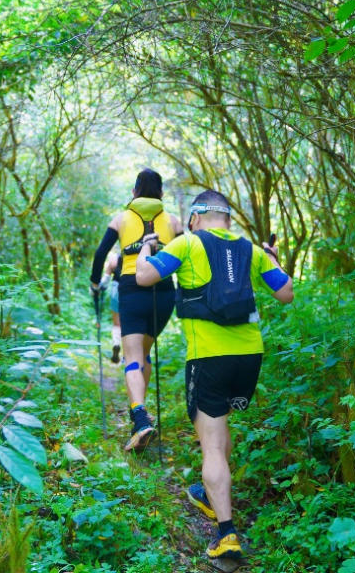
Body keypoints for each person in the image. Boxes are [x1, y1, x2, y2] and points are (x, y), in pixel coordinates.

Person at [135, 190, 294, 561]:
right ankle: (209, 494)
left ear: (195, 218)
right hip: (249, 357)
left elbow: (144, 276)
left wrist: (146, 248)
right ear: (228, 219)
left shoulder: (187, 243)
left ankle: (227, 534)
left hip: (209, 357)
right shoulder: (251, 250)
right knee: (219, 428)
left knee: (210, 444)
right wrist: (273, 257)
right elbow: (286, 293)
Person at [90, 169, 184, 451]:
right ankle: (143, 414)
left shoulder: (121, 219)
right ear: (162, 193)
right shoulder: (173, 221)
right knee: (144, 352)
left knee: (132, 356)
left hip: (131, 289)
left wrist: (95, 284)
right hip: (164, 291)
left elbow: (100, 254)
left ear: (134, 192)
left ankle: (140, 417)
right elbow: (188, 254)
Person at [101, 251, 123, 364]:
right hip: (134, 291)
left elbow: (105, 281)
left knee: (117, 324)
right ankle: (129, 356)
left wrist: (99, 288)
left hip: (117, 291)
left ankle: (116, 343)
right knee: (132, 325)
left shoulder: (115, 258)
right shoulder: (139, 253)